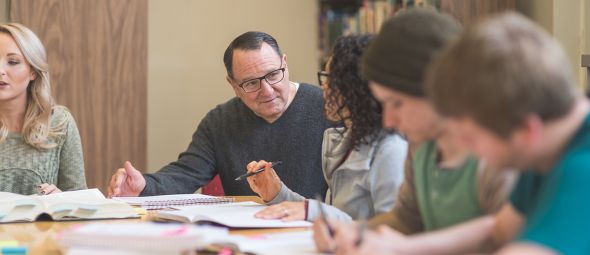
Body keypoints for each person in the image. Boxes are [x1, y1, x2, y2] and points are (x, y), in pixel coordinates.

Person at [333, 12, 590, 255]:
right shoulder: (546, 152)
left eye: (472, 138)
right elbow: (499, 227)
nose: (468, 148)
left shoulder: (580, 168)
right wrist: (402, 247)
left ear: (526, 130)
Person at [316, 9, 515, 253]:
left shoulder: (497, 155)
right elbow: (406, 218)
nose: (388, 120)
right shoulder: (422, 143)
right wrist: (353, 231)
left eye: (397, 103)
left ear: (437, 88)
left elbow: (506, 235)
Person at [108, 31, 330, 198]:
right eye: (251, 83)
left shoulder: (327, 107)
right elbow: (186, 173)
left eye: (273, 75)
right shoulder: (220, 122)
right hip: (246, 236)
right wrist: (144, 185)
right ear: (233, 85)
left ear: (285, 63)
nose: (267, 91)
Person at [245, 35, 407, 222]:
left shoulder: (391, 150)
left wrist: (312, 211)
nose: (324, 87)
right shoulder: (345, 140)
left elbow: (393, 232)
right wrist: (277, 194)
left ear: (357, 86)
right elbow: (334, 216)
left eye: (330, 78)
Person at [0, 23, 86, 195]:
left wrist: (61, 199)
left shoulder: (60, 122)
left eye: (13, 62)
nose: (0, 70)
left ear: (33, 71)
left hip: (44, 222)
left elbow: (80, 201)